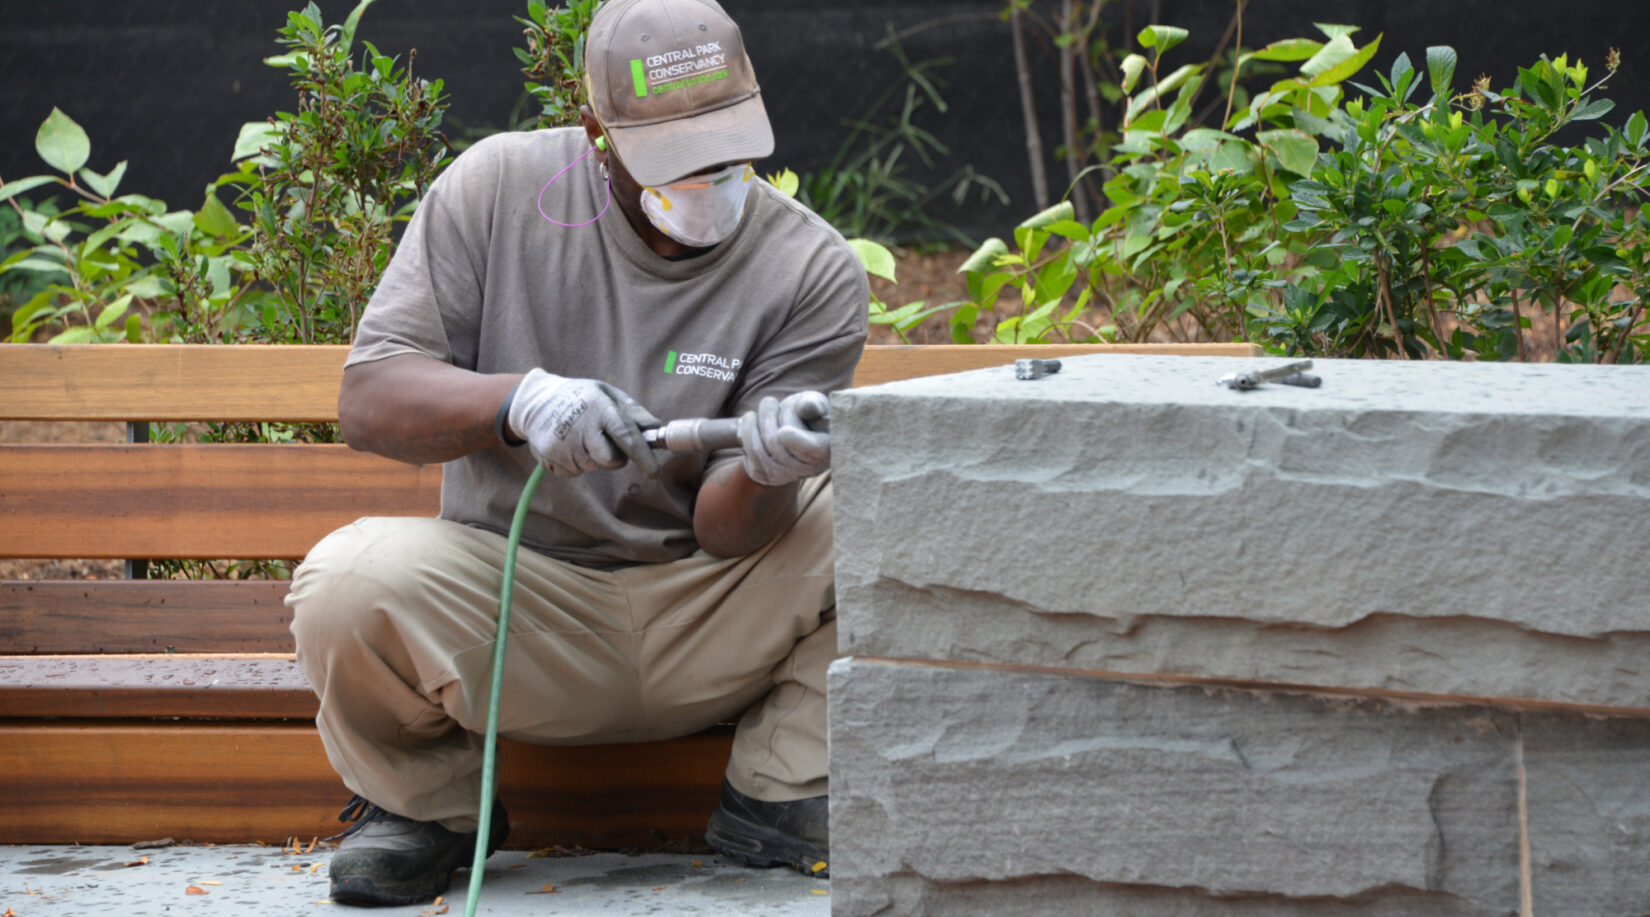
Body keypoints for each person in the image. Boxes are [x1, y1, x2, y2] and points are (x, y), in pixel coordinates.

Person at [284, 0, 868, 906]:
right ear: (598, 134)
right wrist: (516, 401)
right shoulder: (495, 191)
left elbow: (728, 534)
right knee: (346, 581)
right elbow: (369, 399)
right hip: (521, 600)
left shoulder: (810, 269)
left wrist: (766, 470)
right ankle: (427, 810)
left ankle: (781, 791)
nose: (707, 182)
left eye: (725, 151)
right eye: (675, 160)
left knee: (886, 514)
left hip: (707, 606)